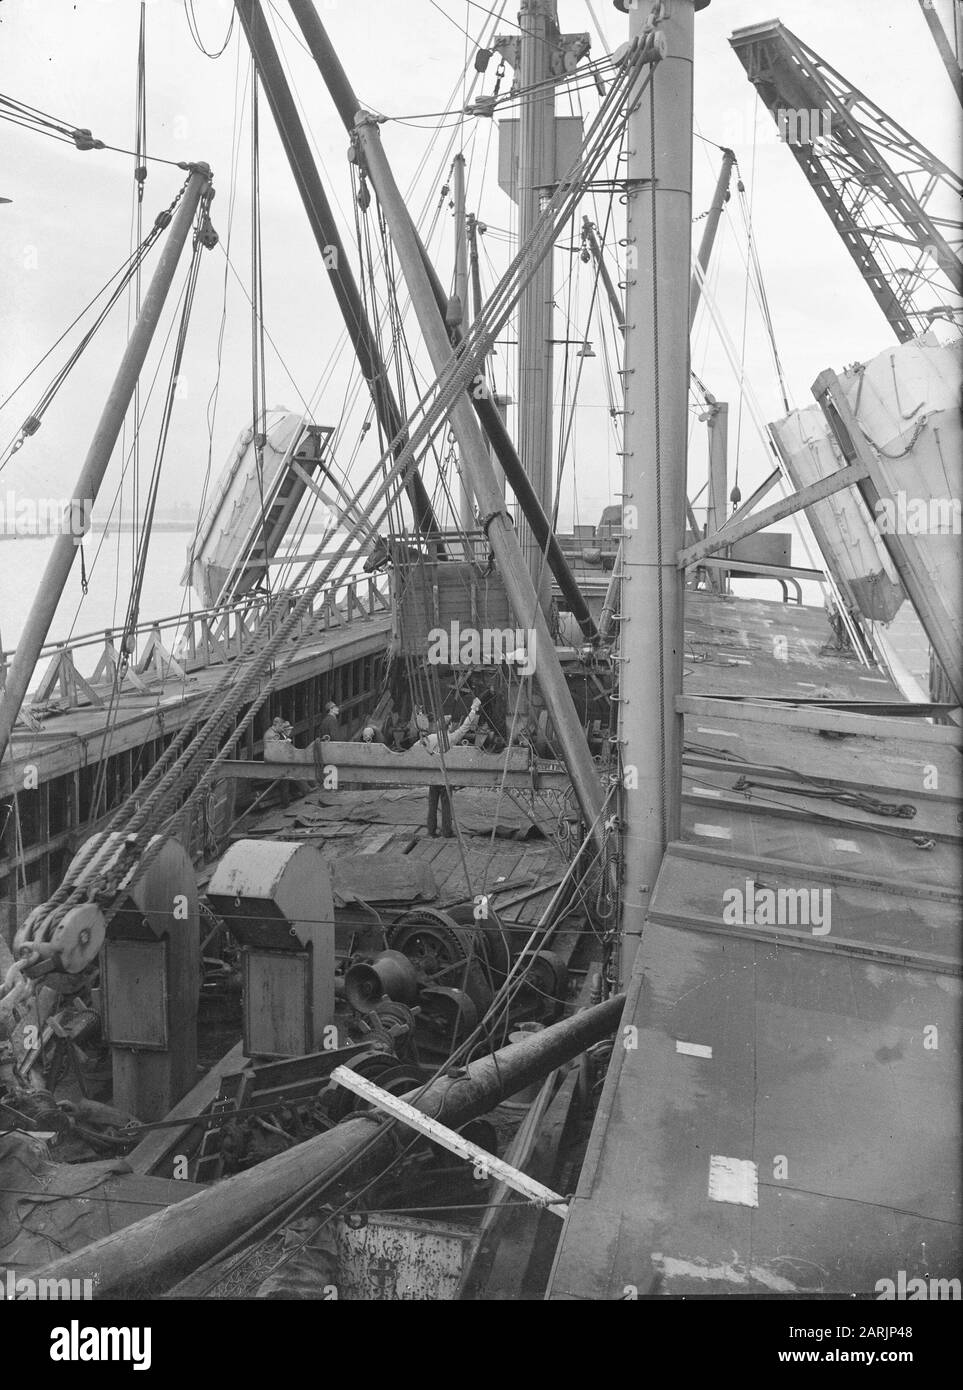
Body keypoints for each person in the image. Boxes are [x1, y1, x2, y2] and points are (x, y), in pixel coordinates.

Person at [422, 699, 481, 837]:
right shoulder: (452, 738)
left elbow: (417, 748)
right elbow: (466, 726)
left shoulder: (429, 738)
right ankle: (446, 831)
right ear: (449, 727)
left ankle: (431, 830)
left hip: (433, 777)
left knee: (432, 805)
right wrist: (473, 709)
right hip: (446, 777)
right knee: (446, 805)